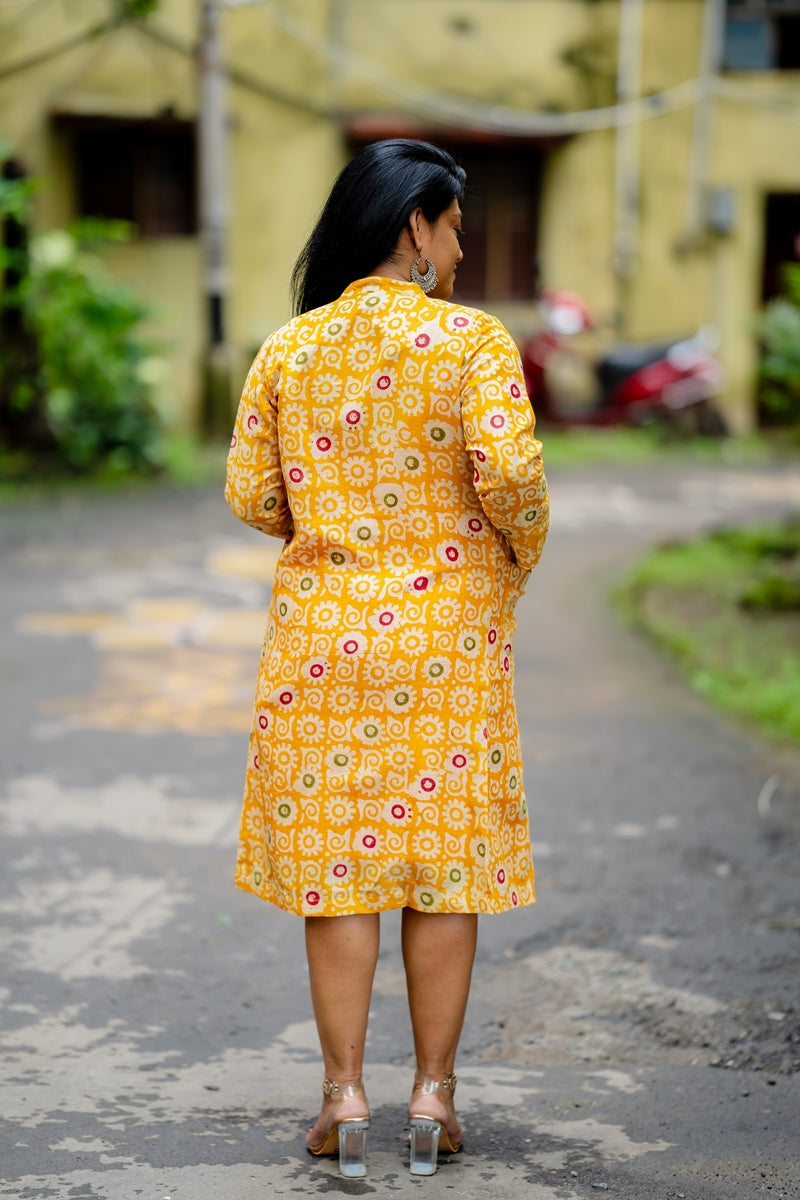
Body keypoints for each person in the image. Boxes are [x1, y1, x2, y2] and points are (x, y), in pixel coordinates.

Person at [225, 138, 549, 1177]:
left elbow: (254, 499)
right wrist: (505, 562)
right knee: (439, 869)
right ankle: (433, 1098)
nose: (457, 247)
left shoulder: (289, 350)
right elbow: (512, 482)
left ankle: (343, 1096)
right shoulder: (472, 345)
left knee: (337, 874)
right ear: (414, 224)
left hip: (321, 647)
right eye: (451, 225)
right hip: (446, 643)